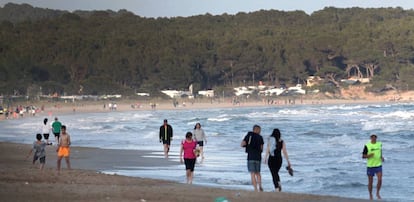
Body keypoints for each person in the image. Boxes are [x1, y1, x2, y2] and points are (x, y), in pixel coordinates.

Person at [241, 125, 264, 192]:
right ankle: (260, 186)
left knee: (252, 173)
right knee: (258, 173)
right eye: (260, 130)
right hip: (258, 157)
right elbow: (261, 148)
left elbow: (242, 144)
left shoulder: (249, 135)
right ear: (257, 130)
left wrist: (248, 146)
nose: (260, 131)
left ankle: (255, 189)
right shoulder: (260, 137)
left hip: (250, 156)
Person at [362, 134, 384, 200]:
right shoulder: (367, 145)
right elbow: (363, 156)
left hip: (378, 165)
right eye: (372, 137)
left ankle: (377, 193)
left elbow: (380, 151)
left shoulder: (379, 144)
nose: (374, 138)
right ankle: (370, 195)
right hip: (370, 166)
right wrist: (369, 155)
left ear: (376, 138)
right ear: (370, 138)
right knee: (370, 182)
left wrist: (381, 157)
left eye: (375, 137)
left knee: (380, 179)